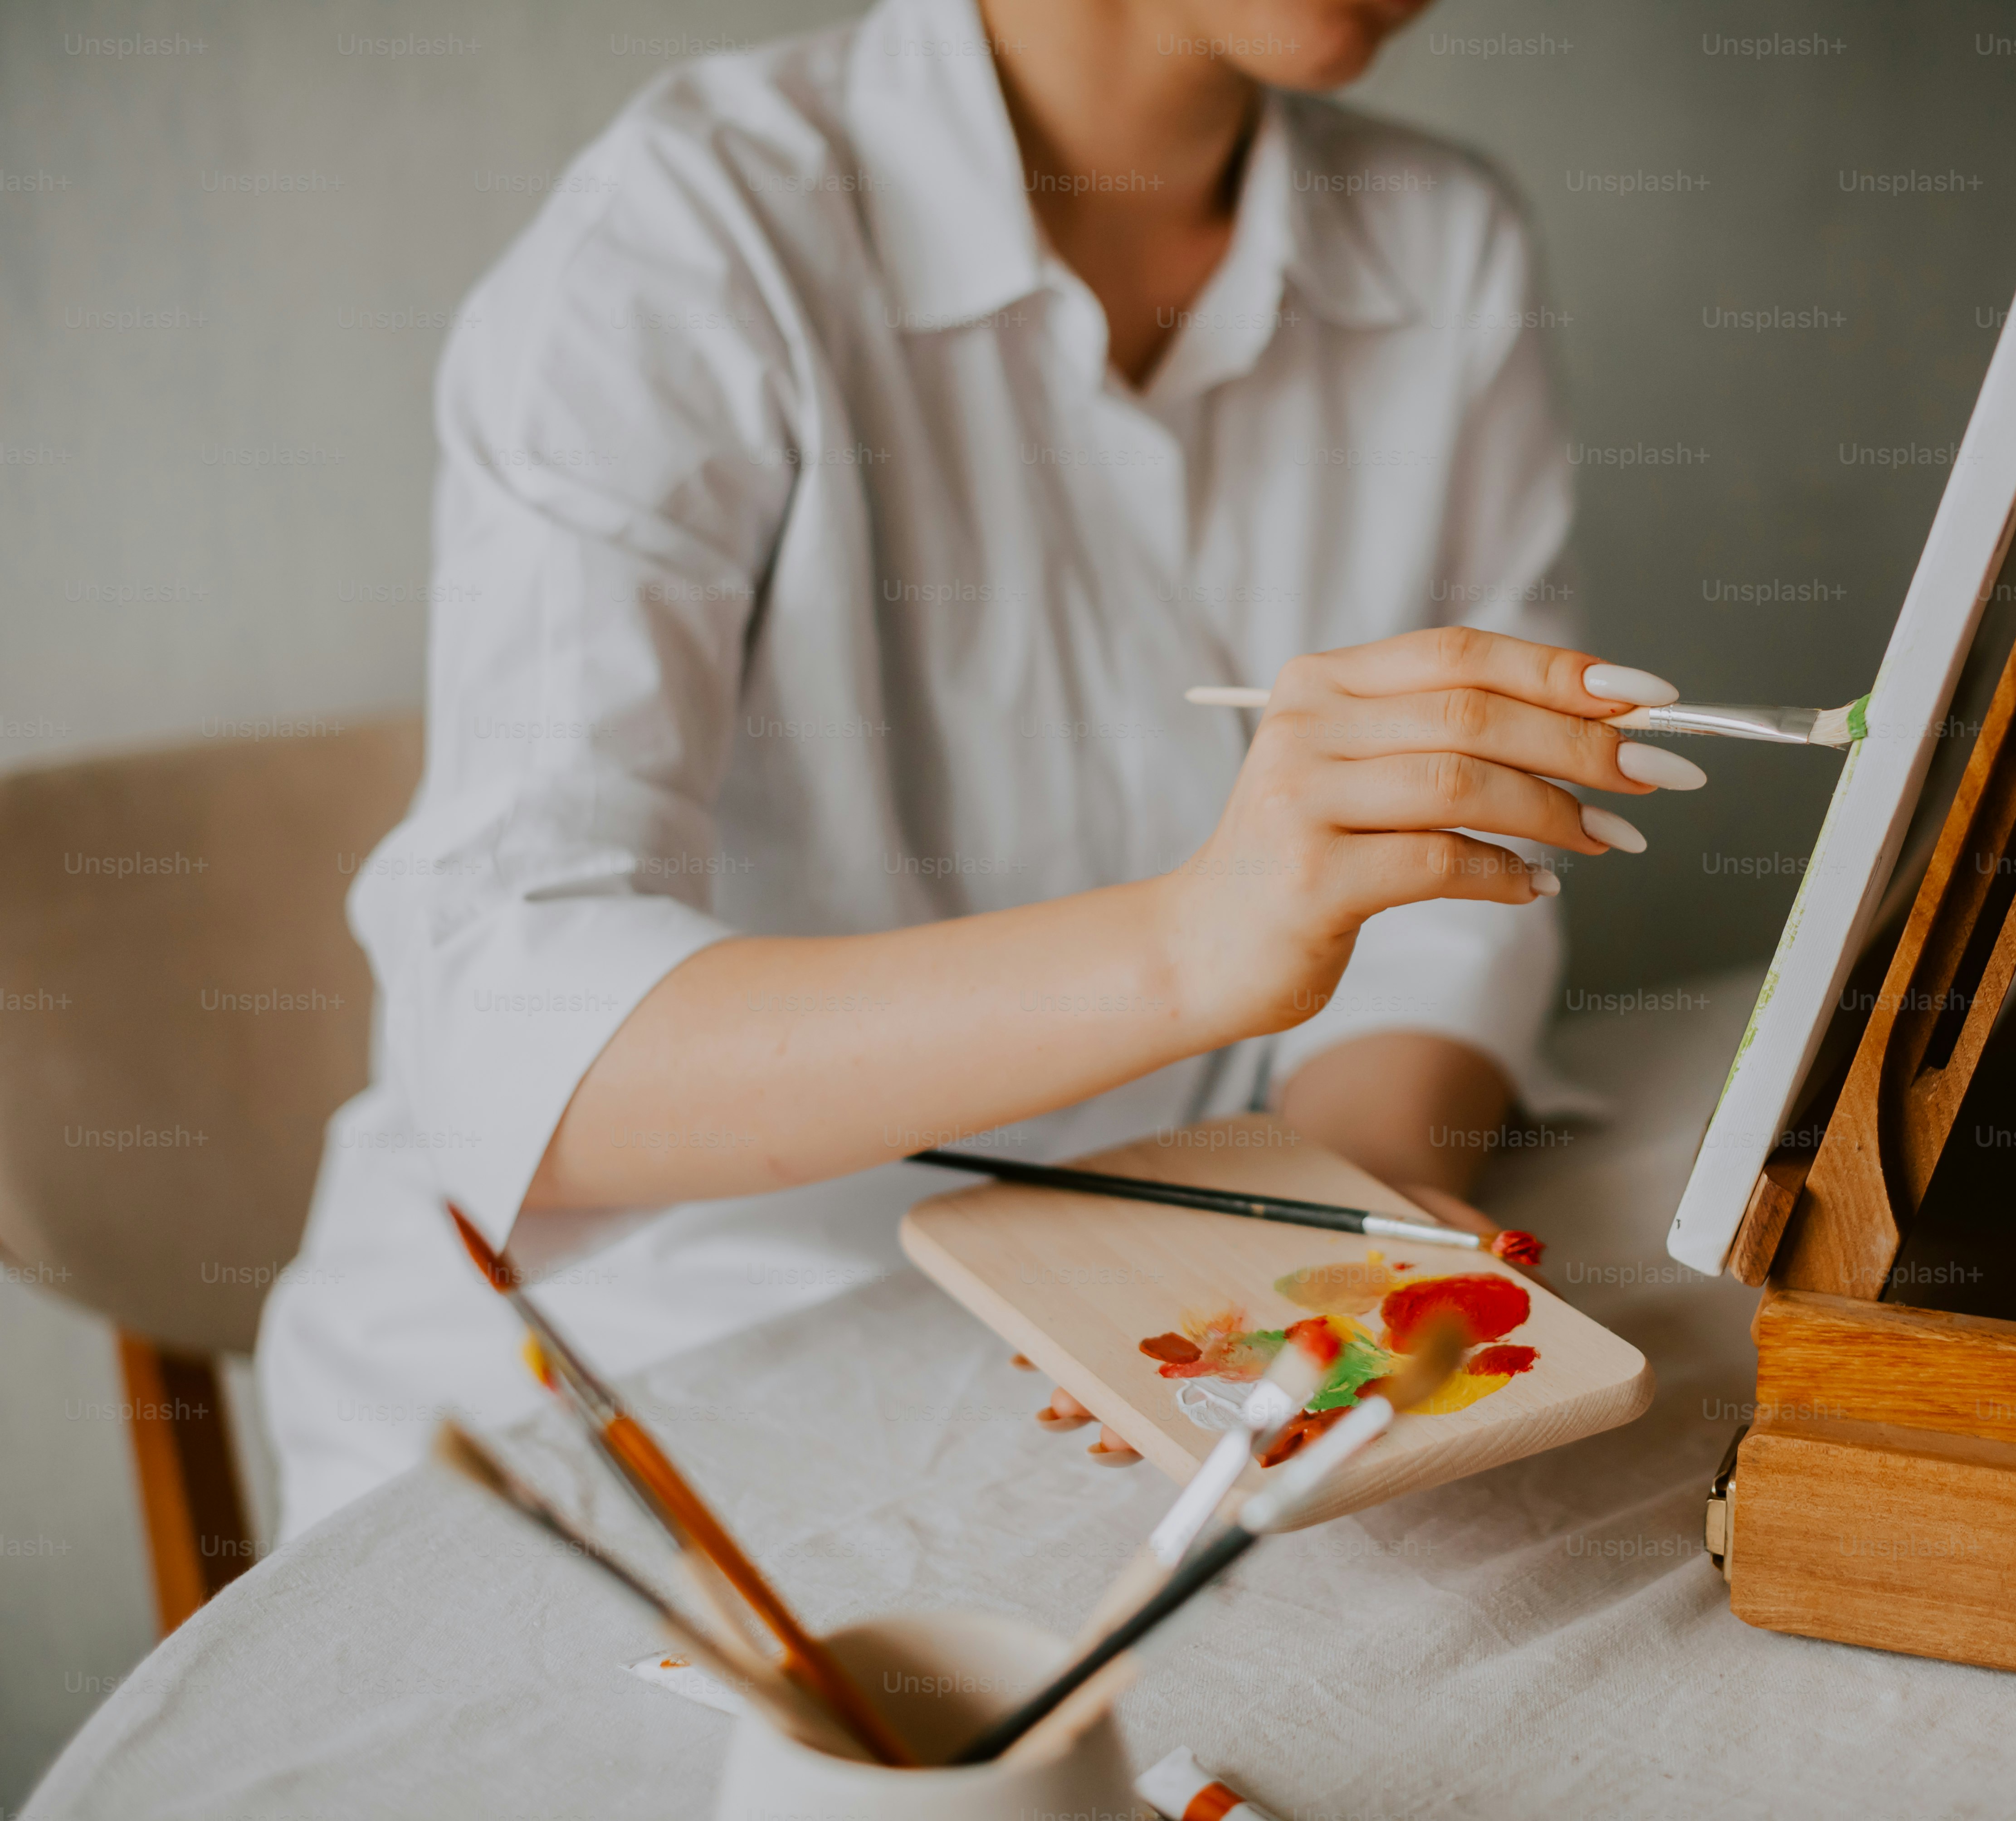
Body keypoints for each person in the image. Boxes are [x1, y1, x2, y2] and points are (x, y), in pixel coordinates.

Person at [257, 0, 1708, 1540]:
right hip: (644, 1374)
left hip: (1157, 1326)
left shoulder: (1442, 243)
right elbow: (517, 1039)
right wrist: (1190, 944)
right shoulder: (689, 233)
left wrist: (1335, 1210)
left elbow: (1445, 868)